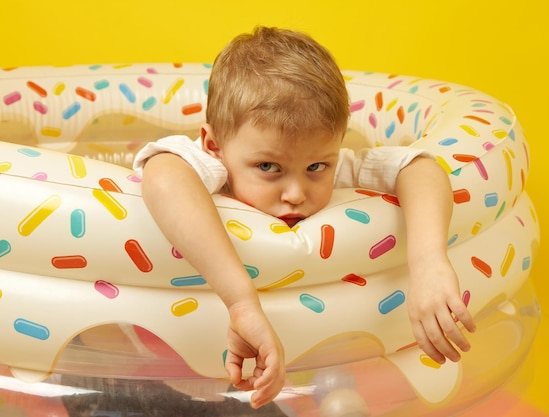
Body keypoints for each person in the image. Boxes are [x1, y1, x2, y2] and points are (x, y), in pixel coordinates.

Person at [134, 26, 476, 409]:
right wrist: (241, 302)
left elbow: (420, 169)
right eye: (268, 167)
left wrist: (428, 262)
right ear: (214, 146)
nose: (296, 192)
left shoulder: (333, 168)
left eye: (316, 166)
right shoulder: (211, 166)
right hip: (153, 363)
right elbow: (162, 176)